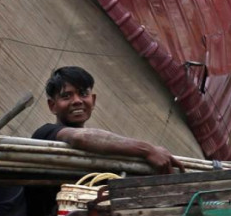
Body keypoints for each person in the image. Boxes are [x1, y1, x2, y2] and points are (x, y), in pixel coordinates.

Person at [32, 66, 183, 174]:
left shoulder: (104, 147)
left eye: (83, 93)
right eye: (66, 96)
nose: (77, 101)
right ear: (53, 106)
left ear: (94, 100)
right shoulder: (46, 133)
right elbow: (81, 138)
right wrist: (148, 150)